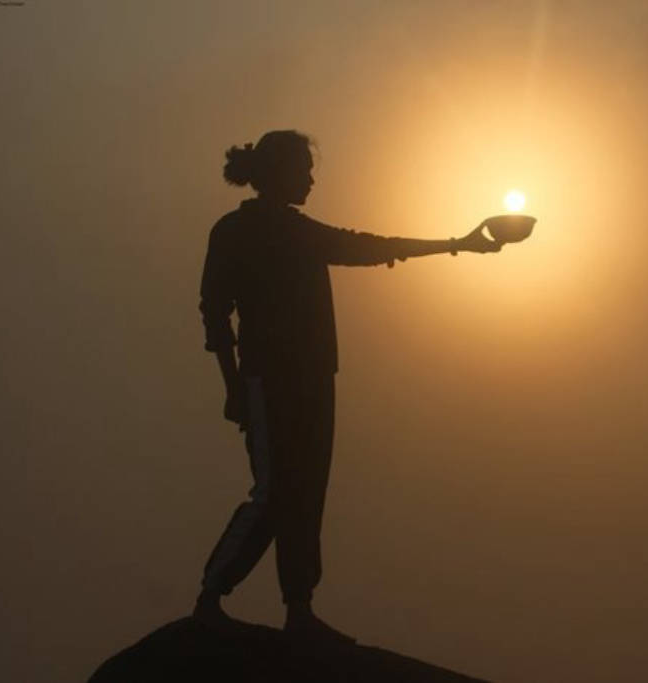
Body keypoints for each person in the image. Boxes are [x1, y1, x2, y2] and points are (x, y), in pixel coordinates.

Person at [192, 130, 502, 644]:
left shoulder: (299, 232)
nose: (312, 180)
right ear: (279, 173)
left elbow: (367, 247)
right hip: (268, 380)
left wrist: (457, 244)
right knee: (274, 493)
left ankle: (299, 609)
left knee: (307, 493)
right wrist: (233, 387)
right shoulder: (236, 232)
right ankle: (210, 596)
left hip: (315, 378)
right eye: (304, 170)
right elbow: (215, 314)